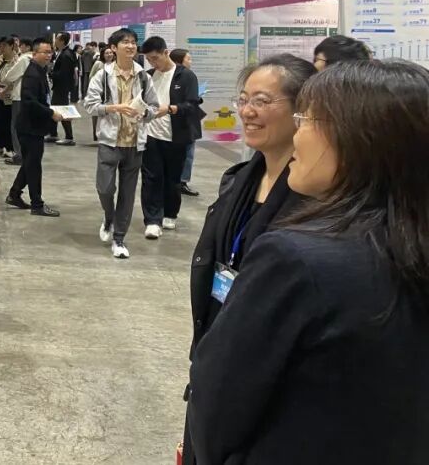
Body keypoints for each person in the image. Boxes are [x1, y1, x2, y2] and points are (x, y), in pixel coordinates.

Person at [187, 60, 429, 464]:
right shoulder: (405, 245)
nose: (299, 135)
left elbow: (219, 402)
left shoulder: (297, 258)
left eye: (308, 119)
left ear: (358, 139)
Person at [180, 53, 316, 465]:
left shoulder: (315, 198)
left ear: (302, 111)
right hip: (217, 350)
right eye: (243, 99)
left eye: (262, 100)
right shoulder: (239, 179)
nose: (247, 112)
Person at [83, 29, 159, 258]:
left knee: (127, 193)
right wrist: (115, 108)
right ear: (113, 48)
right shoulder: (102, 76)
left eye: (133, 42)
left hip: (135, 143)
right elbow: (89, 105)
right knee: (105, 188)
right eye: (125, 42)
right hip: (109, 141)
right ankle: (109, 217)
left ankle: (119, 239)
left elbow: (154, 107)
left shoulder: (144, 77)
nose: (131, 46)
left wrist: (143, 113)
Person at [140, 36, 199, 238]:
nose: (153, 63)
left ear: (166, 53)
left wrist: (171, 109)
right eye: (149, 59)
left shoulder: (186, 76)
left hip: (176, 136)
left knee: (172, 178)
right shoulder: (147, 76)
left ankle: (170, 213)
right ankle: (152, 220)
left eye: (155, 58)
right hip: (150, 135)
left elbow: (192, 105)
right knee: (151, 178)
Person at [5, 36, 63, 217]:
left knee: (30, 163)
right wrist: (50, 113)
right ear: (35, 53)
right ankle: (37, 204)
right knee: (34, 166)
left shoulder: (40, 70)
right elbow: (30, 102)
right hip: (29, 128)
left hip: (35, 127)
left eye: (50, 52)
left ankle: (14, 194)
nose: (49, 55)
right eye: (45, 52)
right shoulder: (32, 73)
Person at [170, 49, 202, 197]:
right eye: (188, 59)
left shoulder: (180, 75)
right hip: (184, 121)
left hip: (178, 118)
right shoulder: (188, 75)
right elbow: (189, 100)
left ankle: (178, 180)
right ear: (179, 60)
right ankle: (182, 182)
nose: (190, 62)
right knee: (188, 153)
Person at [0, 39, 32, 166]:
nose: (19, 48)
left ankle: (19, 155)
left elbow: (9, 77)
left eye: (21, 45)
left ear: (26, 46)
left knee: (16, 127)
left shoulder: (23, 59)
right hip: (30, 96)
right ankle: (26, 154)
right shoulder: (35, 59)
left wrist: (14, 63)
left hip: (19, 96)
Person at [47, 33, 77, 146]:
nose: (55, 40)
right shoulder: (62, 52)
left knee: (63, 111)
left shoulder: (66, 55)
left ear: (62, 41)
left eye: (57, 39)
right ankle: (53, 133)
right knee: (54, 109)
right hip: (59, 87)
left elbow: (64, 73)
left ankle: (69, 137)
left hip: (62, 88)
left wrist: (51, 74)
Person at [88, 46, 115, 142]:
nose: (109, 55)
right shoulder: (98, 63)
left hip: (110, 94)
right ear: (103, 55)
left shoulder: (116, 65)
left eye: (111, 53)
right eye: (107, 53)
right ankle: (97, 135)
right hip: (100, 93)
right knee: (97, 114)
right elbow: (91, 76)